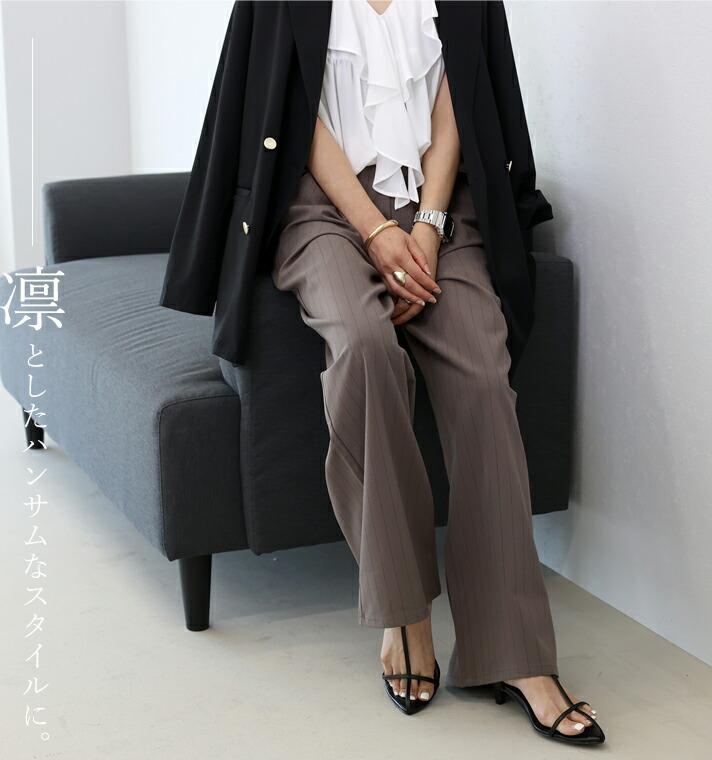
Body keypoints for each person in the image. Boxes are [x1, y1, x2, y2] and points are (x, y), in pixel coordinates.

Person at [160, 0, 605, 745]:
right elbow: (295, 116)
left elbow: (461, 101)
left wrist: (426, 229)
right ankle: (405, 616)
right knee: (365, 348)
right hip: (321, 208)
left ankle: (515, 653)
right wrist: (373, 231)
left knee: (482, 376)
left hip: (439, 209)